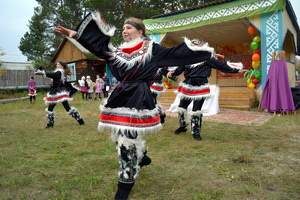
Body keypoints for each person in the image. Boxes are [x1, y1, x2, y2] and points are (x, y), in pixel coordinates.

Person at [55, 11, 216, 200]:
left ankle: (125, 185)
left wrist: (205, 52)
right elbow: (98, 46)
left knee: (127, 140)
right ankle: (142, 157)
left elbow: (177, 53)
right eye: (123, 28)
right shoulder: (117, 53)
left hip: (138, 97)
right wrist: (72, 34)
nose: (124, 31)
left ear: (140, 32)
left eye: (129, 27)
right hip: (120, 97)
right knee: (118, 135)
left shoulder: (152, 49)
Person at [167, 59, 244, 140]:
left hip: (201, 86)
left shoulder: (207, 59)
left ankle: (196, 132)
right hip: (188, 85)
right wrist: (173, 72)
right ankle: (182, 126)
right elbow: (180, 68)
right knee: (181, 107)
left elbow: (221, 66)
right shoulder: (188, 58)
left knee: (196, 110)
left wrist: (237, 69)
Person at [34, 61, 85, 128]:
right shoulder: (58, 72)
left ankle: (80, 121)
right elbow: (51, 74)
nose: (57, 65)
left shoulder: (59, 72)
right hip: (56, 91)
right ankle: (50, 124)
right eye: (57, 64)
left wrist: (43, 71)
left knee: (65, 108)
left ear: (62, 66)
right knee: (52, 108)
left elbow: (51, 75)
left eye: (58, 64)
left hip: (59, 92)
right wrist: (42, 71)